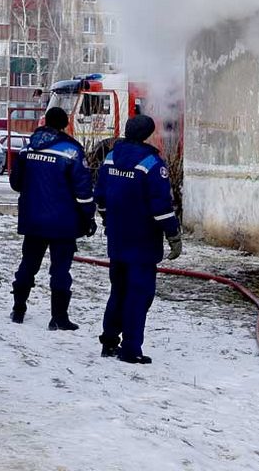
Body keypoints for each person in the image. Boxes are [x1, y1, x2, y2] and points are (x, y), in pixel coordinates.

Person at [94, 114, 182, 364]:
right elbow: (161, 207)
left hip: (118, 239)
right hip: (143, 241)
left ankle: (109, 342)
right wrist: (173, 234)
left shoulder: (110, 158)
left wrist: (108, 220)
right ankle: (131, 349)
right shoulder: (152, 164)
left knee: (118, 291)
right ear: (147, 134)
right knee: (139, 295)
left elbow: (100, 196)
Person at [8, 106, 95, 330]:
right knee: (60, 270)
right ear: (65, 124)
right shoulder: (72, 151)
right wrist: (88, 218)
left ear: (45, 123)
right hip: (63, 223)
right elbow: (83, 192)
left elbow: (16, 183)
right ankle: (59, 317)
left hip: (33, 220)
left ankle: (18, 309)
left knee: (28, 264)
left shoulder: (27, 147)